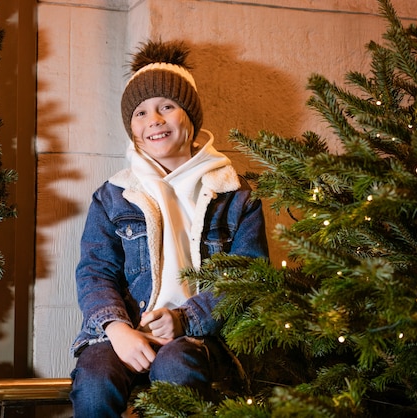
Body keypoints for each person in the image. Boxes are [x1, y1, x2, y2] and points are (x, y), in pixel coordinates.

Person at [69, 39, 269, 417]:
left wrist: (184, 319)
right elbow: (95, 272)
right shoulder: (113, 197)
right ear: (131, 128)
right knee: (95, 378)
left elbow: (247, 280)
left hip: (203, 338)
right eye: (140, 113)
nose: (154, 121)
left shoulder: (234, 194)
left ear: (190, 117)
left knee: (175, 366)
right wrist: (116, 330)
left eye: (167, 107)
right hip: (127, 333)